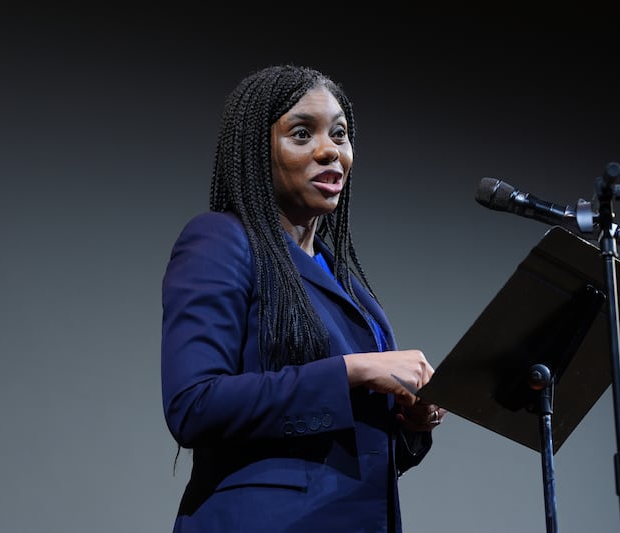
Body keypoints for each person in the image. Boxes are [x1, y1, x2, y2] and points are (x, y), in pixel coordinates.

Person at [160, 64, 446, 532]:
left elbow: (345, 450)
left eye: (339, 134)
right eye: (301, 134)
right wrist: (355, 370)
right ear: (256, 152)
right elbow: (193, 405)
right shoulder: (220, 240)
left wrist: (412, 425)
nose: (329, 150)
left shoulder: (341, 275)